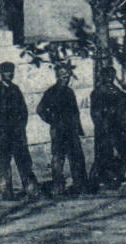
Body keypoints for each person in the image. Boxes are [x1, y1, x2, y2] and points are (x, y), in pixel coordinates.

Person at [37, 62, 92, 197]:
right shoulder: (51, 92)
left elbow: (75, 112)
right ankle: (58, 186)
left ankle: (80, 185)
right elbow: (40, 109)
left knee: (77, 158)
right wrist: (53, 121)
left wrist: (78, 128)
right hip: (58, 131)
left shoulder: (69, 91)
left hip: (71, 130)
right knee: (58, 158)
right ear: (57, 76)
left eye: (67, 75)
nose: (65, 78)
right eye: (62, 75)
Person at [0, 61, 39, 200]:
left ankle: (31, 190)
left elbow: (24, 111)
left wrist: (21, 126)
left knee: (24, 160)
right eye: (6, 71)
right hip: (4, 133)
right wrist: (5, 126)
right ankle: (5, 192)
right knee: (4, 162)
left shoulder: (16, 89)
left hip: (17, 132)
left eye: (11, 71)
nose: (9, 74)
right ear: (1, 73)